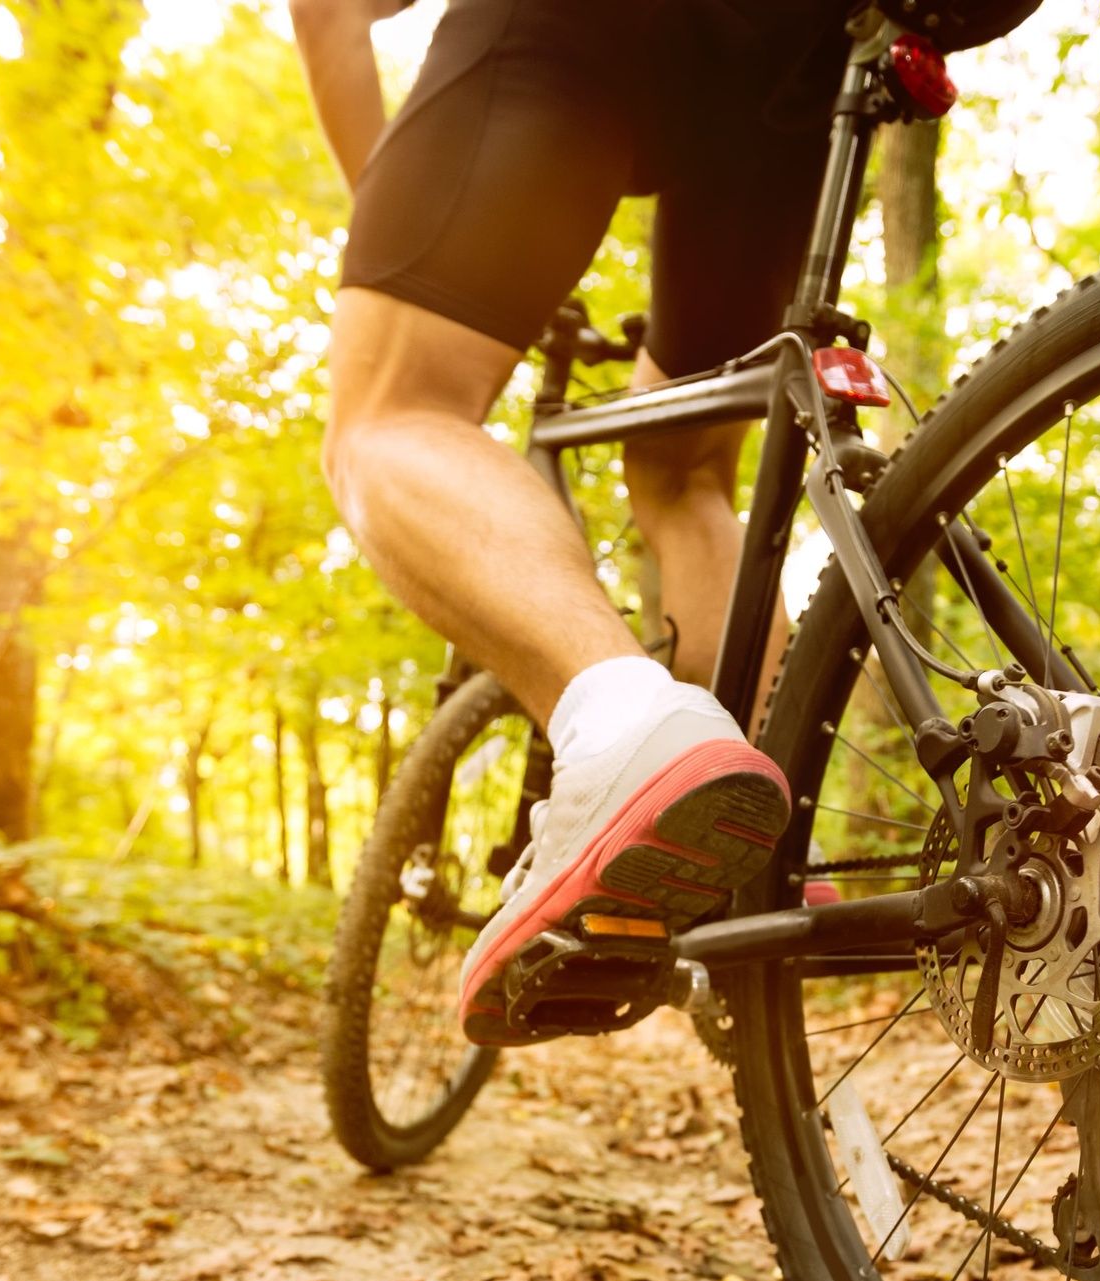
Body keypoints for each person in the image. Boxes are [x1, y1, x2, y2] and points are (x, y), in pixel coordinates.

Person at [288, 0, 846, 1043]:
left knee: (392, 409)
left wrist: (404, 223)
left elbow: (327, 12)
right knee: (684, 475)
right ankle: (772, 850)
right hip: (800, 59)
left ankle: (624, 725)